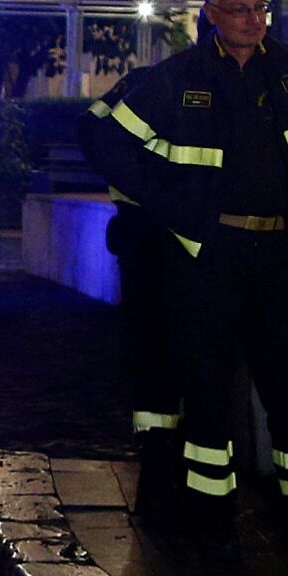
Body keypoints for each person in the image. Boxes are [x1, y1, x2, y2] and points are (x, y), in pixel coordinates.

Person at [85, 0, 288, 554]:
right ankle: (209, 517)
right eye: (241, 9)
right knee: (208, 383)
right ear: (212, 14)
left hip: (274, 249)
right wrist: (175, 211)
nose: (254, 20)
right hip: (208, 255)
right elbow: (107, 141)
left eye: (260, 8)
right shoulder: (178, 77)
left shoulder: (287, 69)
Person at [82, 73, 183, 527]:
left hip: (155, 233)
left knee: (156, 353)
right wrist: (146, 192)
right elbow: (92, 130)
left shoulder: (152, 82)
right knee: (154, 352)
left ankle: (159, 471)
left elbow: (89, 128)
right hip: (151, 236)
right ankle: (158, 468)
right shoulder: (154, 83)